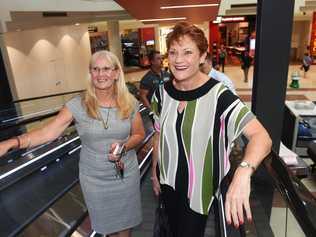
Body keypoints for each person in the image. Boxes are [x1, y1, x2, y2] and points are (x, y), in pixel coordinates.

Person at [0, 50, 145, 237]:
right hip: (95, 180)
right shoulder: (78, 105)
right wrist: (12, 142)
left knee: (125, 225)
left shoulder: (129, 102)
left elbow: (140, 133)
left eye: (107, 69)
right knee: (107, 227)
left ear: (117, 73)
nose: (101, 75)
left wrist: (124, 146)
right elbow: (48, 132)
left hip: (125, 175)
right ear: (90, 73)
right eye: (96, 69)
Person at [150, 22, 272, 237]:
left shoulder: (218, 96)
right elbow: (159, 135)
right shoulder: (161, 93)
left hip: (198, 193)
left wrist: (243, 172)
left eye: (188, 52)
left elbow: (261, 136)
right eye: (173, 52)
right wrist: (154, 172)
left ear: (202, 56)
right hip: (167, 184)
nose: (179, 60)